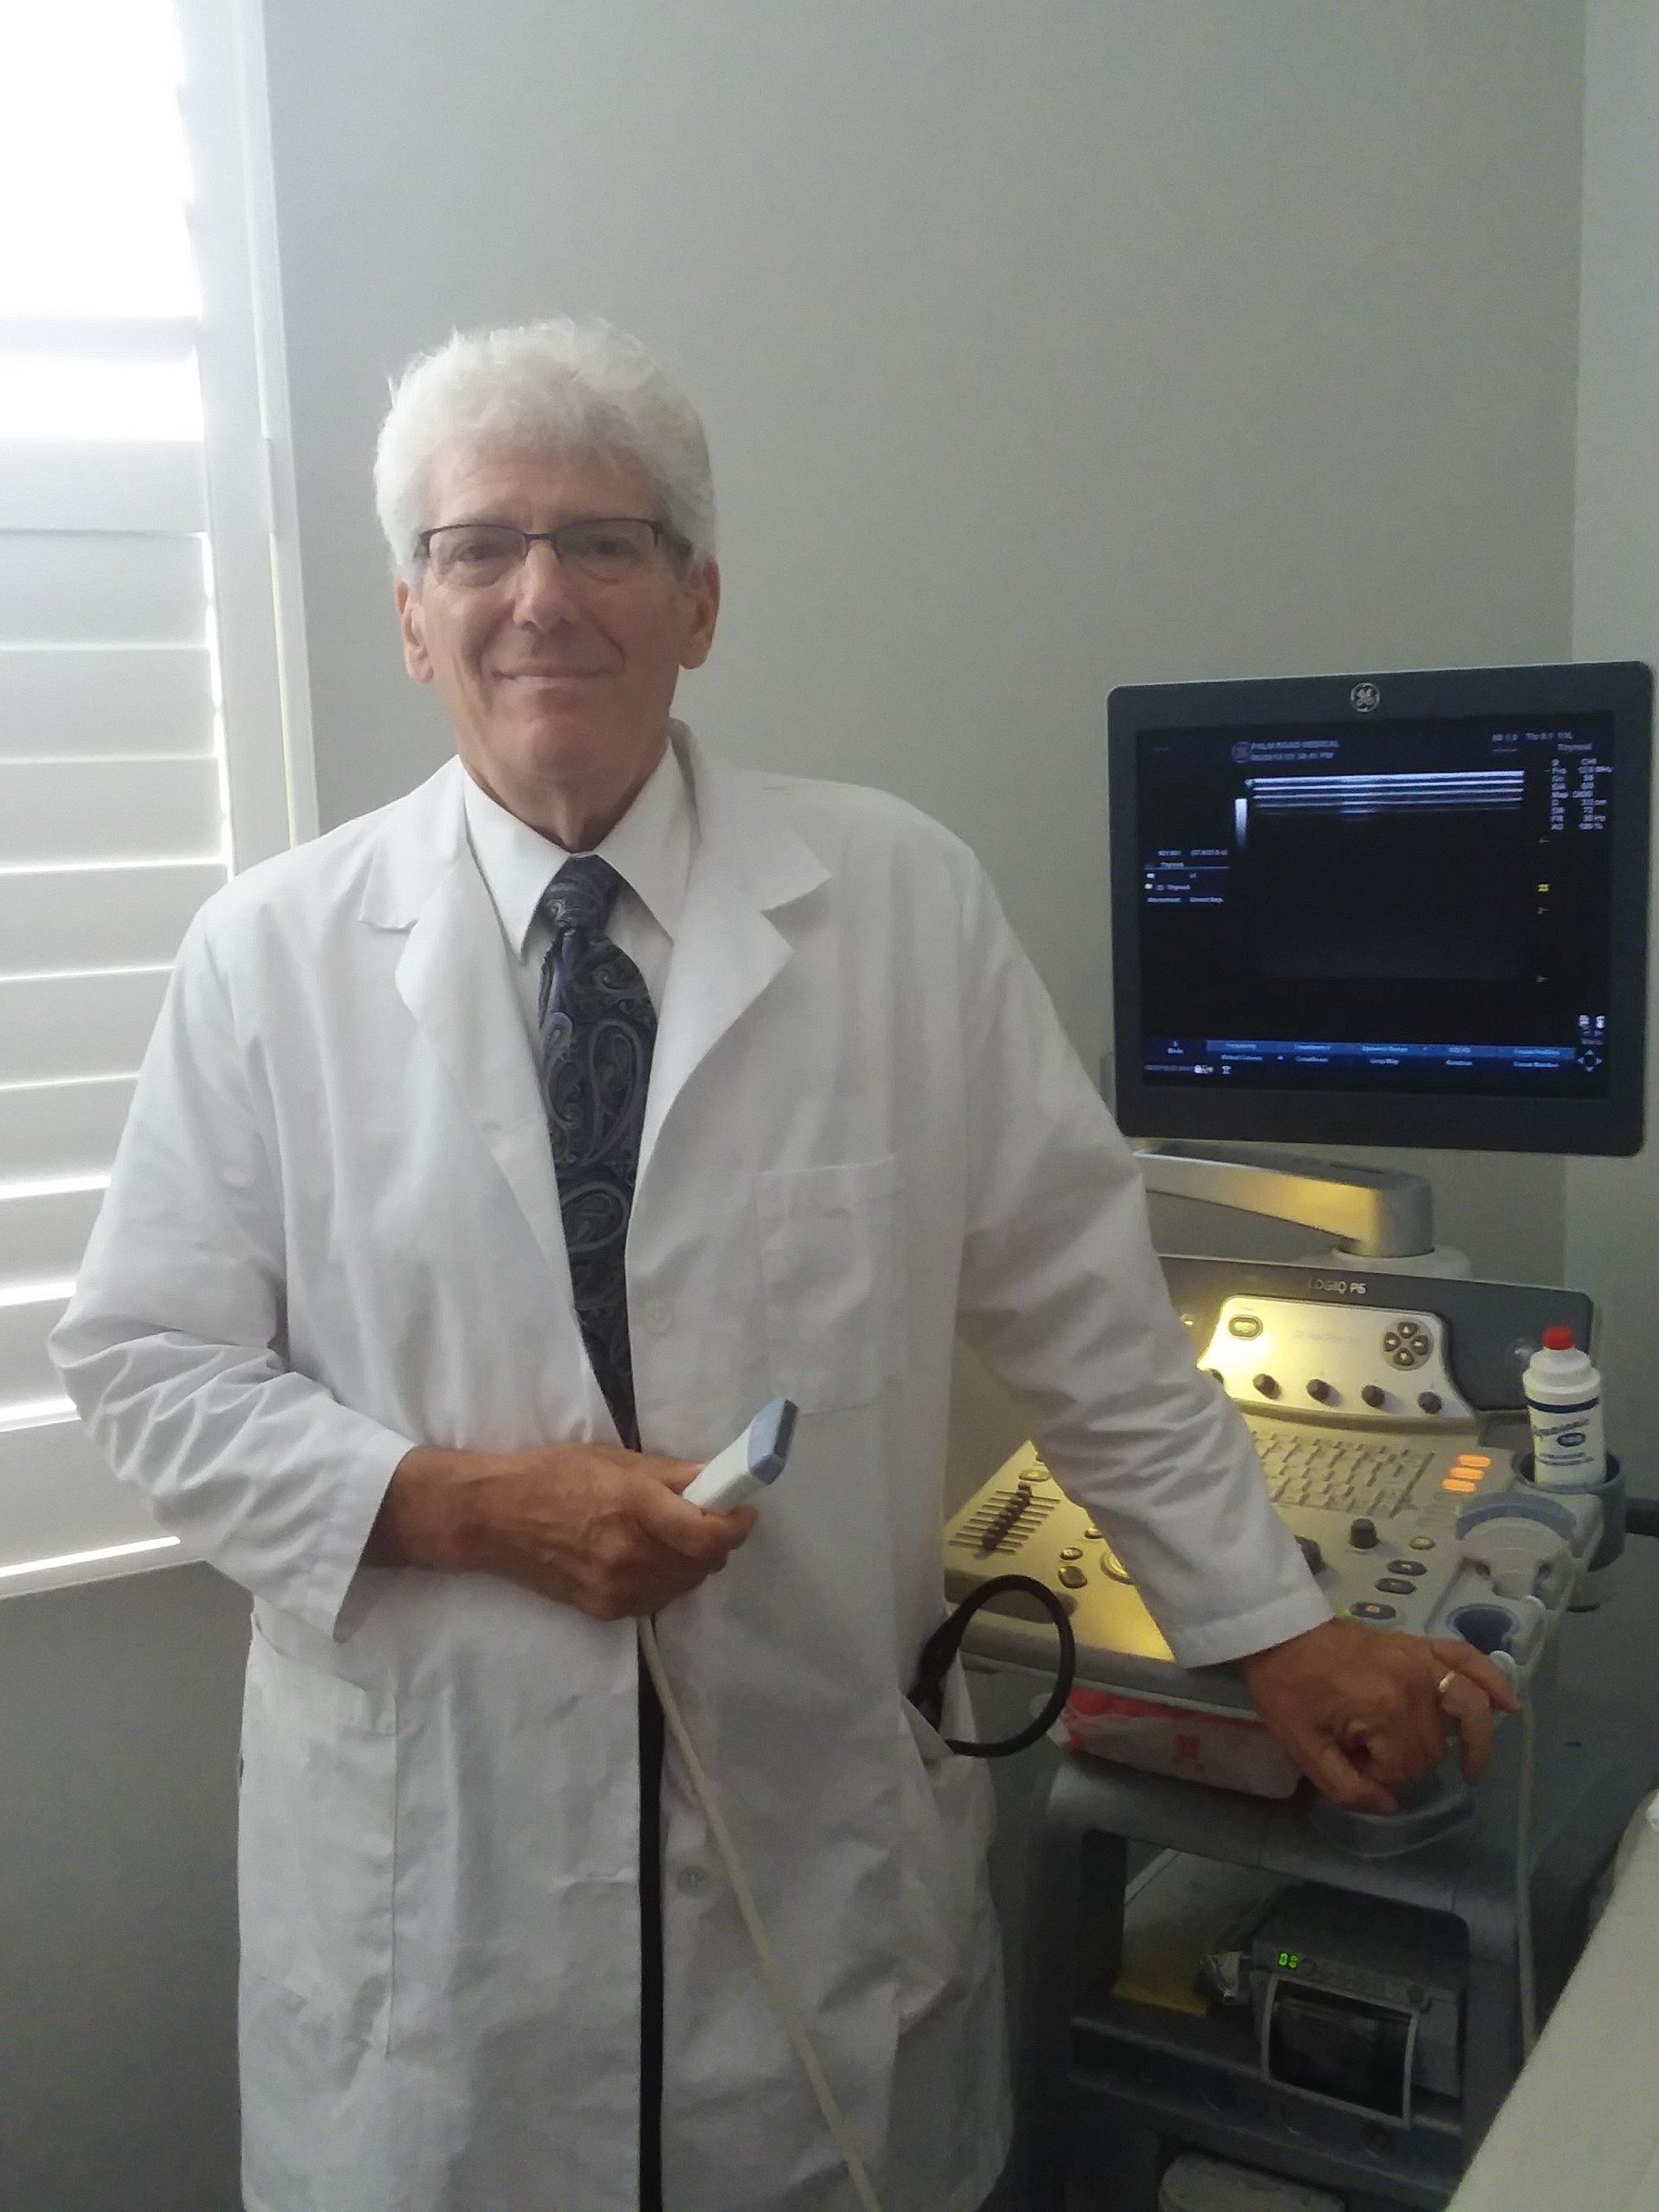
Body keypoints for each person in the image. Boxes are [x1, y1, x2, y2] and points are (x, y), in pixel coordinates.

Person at [51, 316, 1514, 2212]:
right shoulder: (269, 958)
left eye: (606, 541)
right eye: (476, 548)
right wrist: (470, 1504)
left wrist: (1283, 1628)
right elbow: (149, 1367)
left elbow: (1088, 1320)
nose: (539, 596)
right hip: (446, 1925)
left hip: (812, 1904)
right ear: (412, 616)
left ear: (700, 600)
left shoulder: (899, 899)